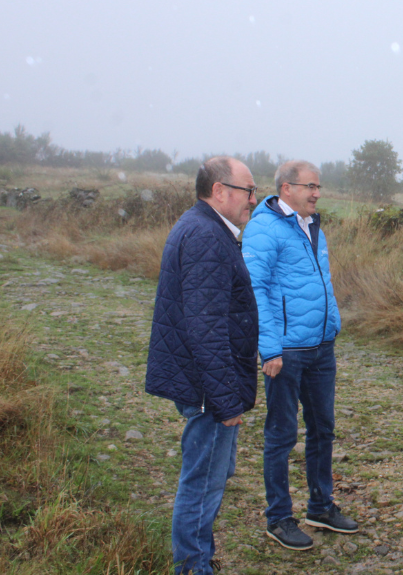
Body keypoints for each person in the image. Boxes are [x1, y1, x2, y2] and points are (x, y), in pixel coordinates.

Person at [145, 156, 259, 575]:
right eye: (248, 191)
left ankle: (197, 557)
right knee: (203, 482)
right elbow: (205, 327)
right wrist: (226, 401)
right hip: (209, 388)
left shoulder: (204, 228)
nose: (252, 199)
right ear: (220, 191)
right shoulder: (208, 237)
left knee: (210, 475)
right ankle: (193, 567)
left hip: (207, 383)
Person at [241, 160, 355, 551]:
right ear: (286, 188)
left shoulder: (312, 225)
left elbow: (321, 278)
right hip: (287, 352)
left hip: (321, 346)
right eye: (310, 186)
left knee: (323, 428)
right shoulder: (264, 227)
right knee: (281, 435)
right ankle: (278, 518)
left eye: (318, 186)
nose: (317, 193)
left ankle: (321, 507)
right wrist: (270, 348)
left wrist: (333, 322)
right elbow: (254, 290)